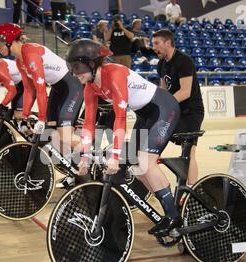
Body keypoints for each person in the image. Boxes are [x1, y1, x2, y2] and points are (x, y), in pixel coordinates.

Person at [66, 39, 182, 235]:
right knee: (137, 167)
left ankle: (173, 217)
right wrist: (84, 157)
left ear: (93, 64)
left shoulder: (115, 73)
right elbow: (88, 124)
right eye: (73, 67)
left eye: (78, 67)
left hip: (164, 108)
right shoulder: (90, 86)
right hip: (146, 115)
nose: (75, 73)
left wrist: (114, 157)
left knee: (146, 162)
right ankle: (167, 208)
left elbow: (120, 118)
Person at [0, 23, 84, 188]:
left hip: (71, 86)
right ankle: (73, 173)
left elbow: (41, 90)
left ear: (10, 40)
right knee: (56, 137)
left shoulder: (29, 52)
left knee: (64, 135)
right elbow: (29, 90)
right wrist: (25, 115)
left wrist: (40, 119)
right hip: (58, 88)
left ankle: (90, 162)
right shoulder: (20, 61)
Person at [152, 29, 204, 186]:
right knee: (156, 146)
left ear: (168, 43)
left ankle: (191, 189)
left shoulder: (183, 60)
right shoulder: (161, 64)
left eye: (156, 43)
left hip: (191, 112)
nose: (153, 47)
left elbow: (185, 92)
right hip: (176, 111)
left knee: (188, 152)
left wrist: (165, 105)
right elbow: (164, 92)